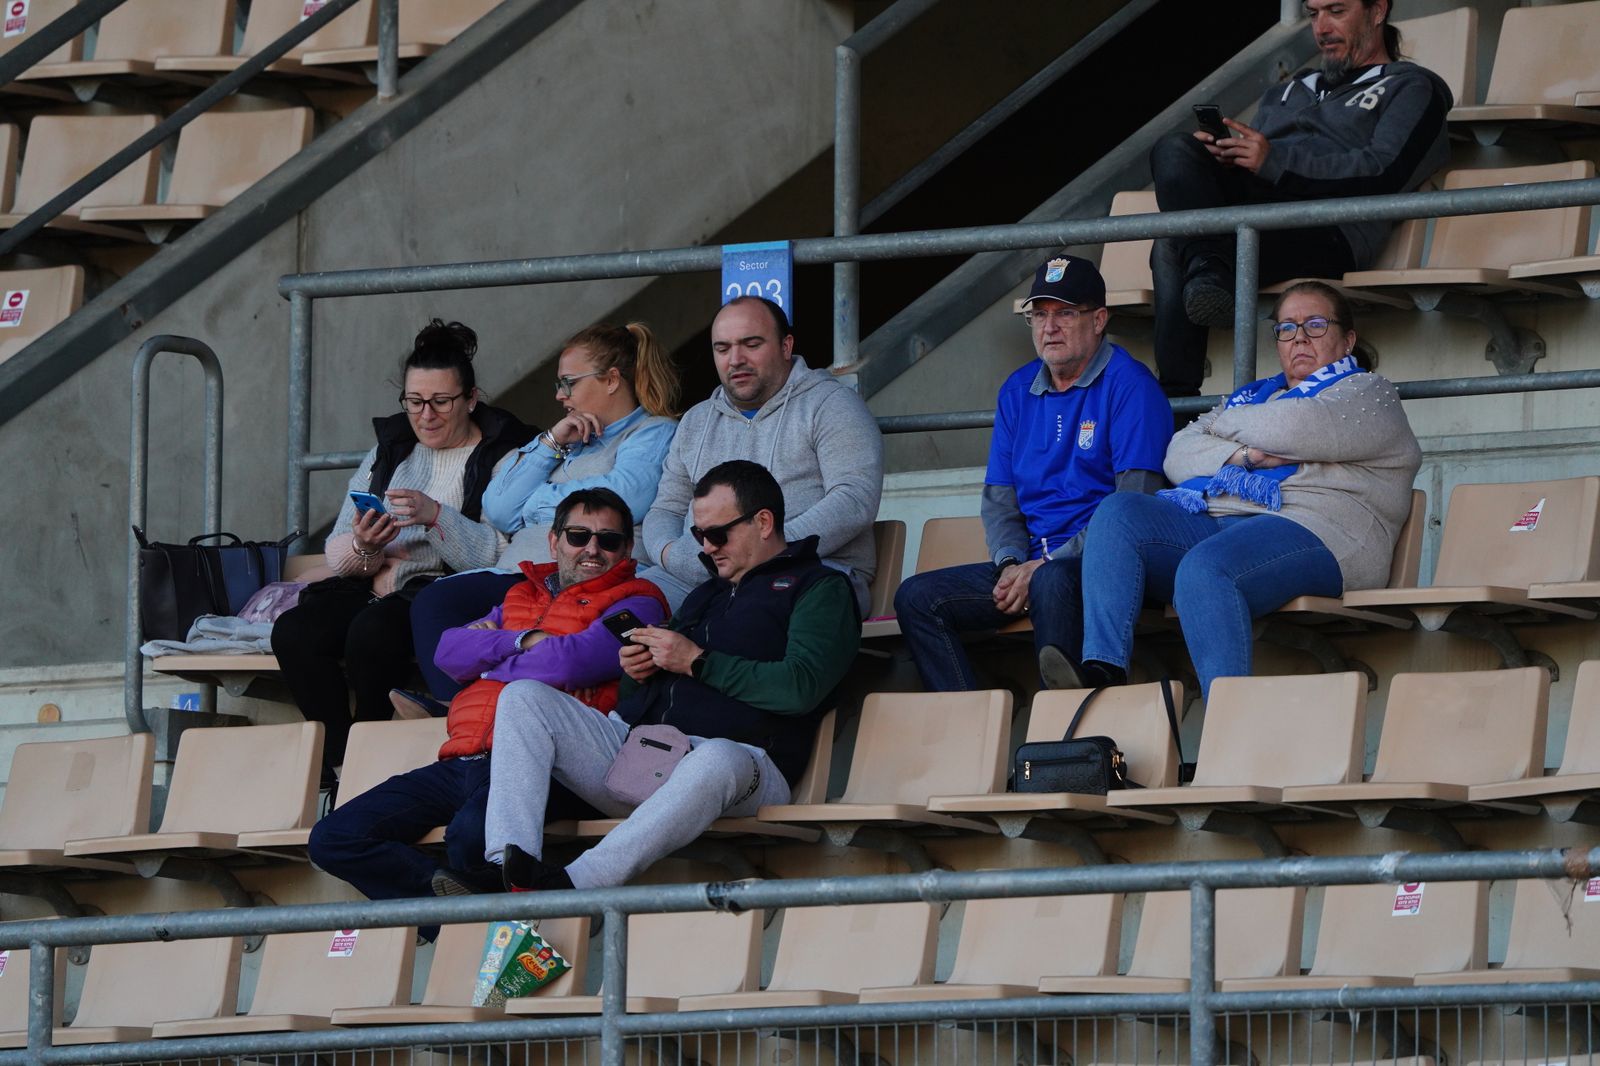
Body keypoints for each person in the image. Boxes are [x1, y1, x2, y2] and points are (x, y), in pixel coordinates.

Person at [483, 460, 859, 892]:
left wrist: (698, 661)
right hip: (647, 754)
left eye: (718, 534)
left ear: (763, 522)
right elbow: (637, 696)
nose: (707, 547)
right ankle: (507, 867)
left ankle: (574, 884)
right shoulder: (706, 592)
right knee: (523, 696)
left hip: (743, 765)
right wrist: (638, 673)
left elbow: (800, 689)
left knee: (716, 757)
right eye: (699, 536)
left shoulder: (819, 587)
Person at [307, 489, 669, 910]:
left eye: (608, 540)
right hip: (464, 756)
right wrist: (524, 640)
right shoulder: (519, 595)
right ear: (554, 541)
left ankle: (480, 936)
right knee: (333, 837)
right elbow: (447, 652)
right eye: (578, 536)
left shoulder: (640, 603)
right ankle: (452, 920)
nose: (592, 549)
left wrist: (488, 660)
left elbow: (573, 662)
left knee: (470, 837)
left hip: (548, 766)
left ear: (626, 549)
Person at [1066, 281, 1421, 698]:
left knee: (1207, 568)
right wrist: (1247, 456)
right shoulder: (1255, 396)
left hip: (1323, 533)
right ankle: (1103, 675)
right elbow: (1177, 454)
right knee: (1120, 512)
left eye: (1316, 325)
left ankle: (1227, 721)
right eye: (1286, 328)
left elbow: (1295, 426)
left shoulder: (1369, 392)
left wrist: (1219, 428)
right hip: (1224, 522)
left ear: (1348, 340)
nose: (1300, 338)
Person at [893, 255, 1173, 691]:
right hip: (1029, 565)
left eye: (1065, 313)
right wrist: (1009, 563)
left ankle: (1064, 746)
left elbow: (1134, 507)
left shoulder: (1131, 386)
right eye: (1039, 315)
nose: (1049, 327)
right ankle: (972, 727)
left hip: (1100, 567)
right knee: (917, 598)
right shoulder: (1016, 389)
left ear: (1099, 320)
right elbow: (1000, 499)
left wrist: (1044, 564)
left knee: (1052, 581)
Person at [272, 320, 536, 782]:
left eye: (440, 402)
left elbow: (493, 558)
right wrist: (366, 546)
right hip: (373, 583)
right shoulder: (391, 449)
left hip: (439, 593)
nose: (426, 415)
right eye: (414, 402)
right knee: (295, 632)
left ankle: (367, 750)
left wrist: (437, 516)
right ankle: (338, 760)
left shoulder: (504, 453)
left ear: (471, 399)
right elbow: (339, 547)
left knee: (372, 632)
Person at [1148, 0, 1451, 396]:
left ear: (1377, 11)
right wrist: (1228, 157)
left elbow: (1384, 172)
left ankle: (1176, 398)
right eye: (1313, 14)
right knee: (1175, 150)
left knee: (1172, 245)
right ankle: (1210, 269)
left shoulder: (1413, 86)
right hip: (1256, 215)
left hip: (1328, 229)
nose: (1321, 27)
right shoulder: (1288, 90)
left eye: (1336, 11)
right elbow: (1259, 168)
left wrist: (1275, 162)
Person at [406, 322, 681, 704]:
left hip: (582, 580)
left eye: (568, 383)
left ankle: (463, 706)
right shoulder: (564, 440)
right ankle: (466, 708)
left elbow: (624, 498)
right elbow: (500, 509)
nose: (559, 395)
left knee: (439, 603)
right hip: (523, 579)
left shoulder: (652, 432)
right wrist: (552, 441)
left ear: (612, 379)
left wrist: (536, 503)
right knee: (424, 607)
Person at [641, 296, 882, 613]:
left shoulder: (831, 404)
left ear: (786, 346)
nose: (735, 359)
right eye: (723, 348)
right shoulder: (696, 421)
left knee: (747, 618)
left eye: (751, 344)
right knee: (620, 609)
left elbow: (855, 500)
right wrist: (670, 552)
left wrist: (768, 552)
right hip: (700, 577)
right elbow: (666, 509)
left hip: (807, 573)